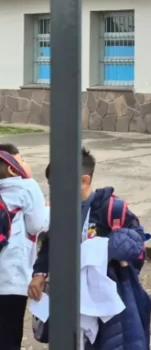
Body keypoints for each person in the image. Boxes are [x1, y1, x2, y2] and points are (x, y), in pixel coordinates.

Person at [30, 147, 151, 350]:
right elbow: (50, 245)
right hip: (69, 295)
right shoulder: (60, 212)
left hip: (109, 299)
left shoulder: (111, 209)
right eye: (52, 186)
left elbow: (136, 246)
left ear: (84, 180)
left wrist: (110, 247)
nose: (55, 192)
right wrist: (39, 274)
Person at [0, 145, 46, 350]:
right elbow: (37, 225)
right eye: (21, 159)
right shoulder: (27, 187)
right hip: (12, 279)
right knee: (9, 338)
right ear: (12, 168)